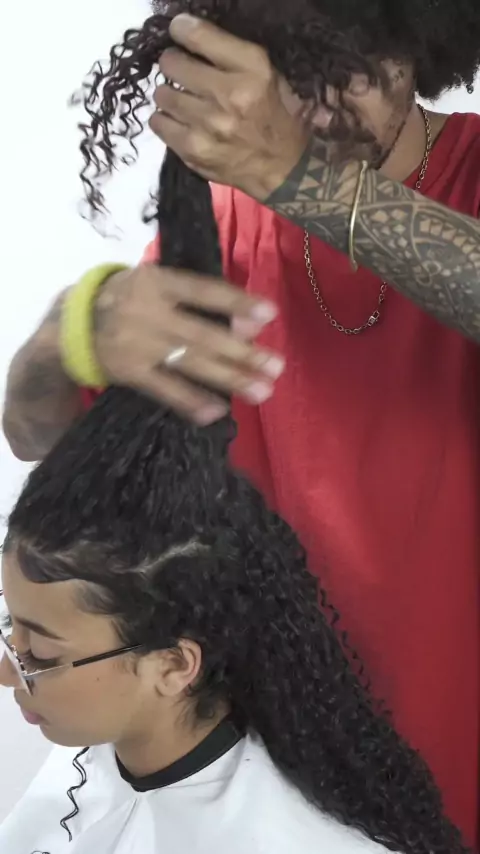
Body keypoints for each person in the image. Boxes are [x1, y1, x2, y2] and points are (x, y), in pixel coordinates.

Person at [2, 0, 480, 843]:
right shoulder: (223, 231)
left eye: (350, 69)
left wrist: (298, 177)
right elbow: (34, 434)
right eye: (291, 76)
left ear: (416, 40)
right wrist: (74, 333)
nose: (322, 110)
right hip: (299, 808)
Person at [0, 383, 467, 854]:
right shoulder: (90, 754)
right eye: (8, 625)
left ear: (173, 666)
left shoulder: (293, 841)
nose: (6, 671)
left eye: (40, 653)